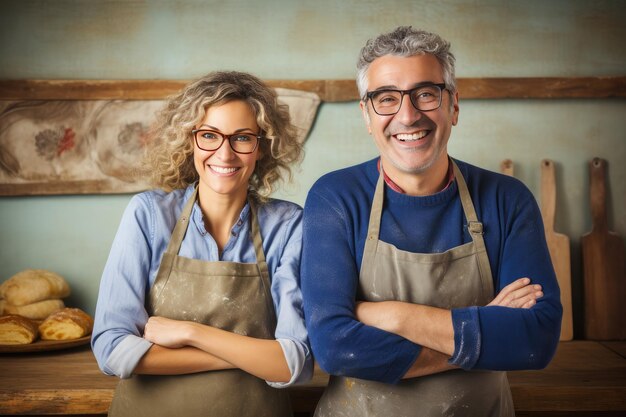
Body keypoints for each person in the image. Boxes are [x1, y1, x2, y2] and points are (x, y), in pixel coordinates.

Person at [301, 26, 562, 417]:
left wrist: (392, 315)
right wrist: (486, 333)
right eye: (386, 98)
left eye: (425, 94)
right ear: (366, 115)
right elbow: (337, 348)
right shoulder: (335, 198)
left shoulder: (507, 200)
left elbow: (534, 341)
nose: (407, 116)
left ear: (453, 105)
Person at [92, 71, 312, 417]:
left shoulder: (287, 226)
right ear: (189, 141)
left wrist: (188, 332)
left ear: (261, 145)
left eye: (241, 138)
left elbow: (292, 364)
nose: (224, 154)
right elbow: (113, 350)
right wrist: (252, 357)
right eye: (209, 135)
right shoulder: (148, 215)